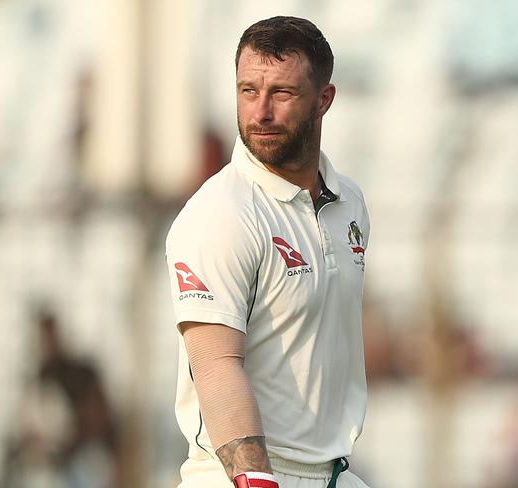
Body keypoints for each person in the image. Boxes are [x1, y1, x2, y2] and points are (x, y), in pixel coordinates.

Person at [165, 16, 371, 488]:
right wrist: (255, 478)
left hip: (334, 473)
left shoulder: (350, 203)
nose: (260, 112)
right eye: (247, 91)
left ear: (324, 100)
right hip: (242, 477)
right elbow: (216, 363)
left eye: (281, 93)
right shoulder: (221, 212)